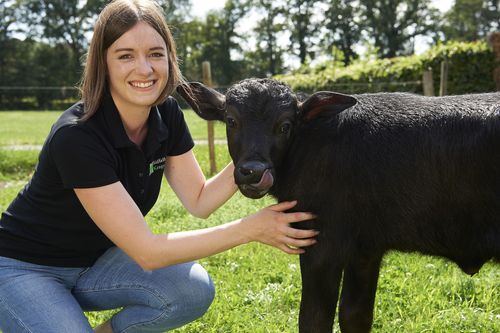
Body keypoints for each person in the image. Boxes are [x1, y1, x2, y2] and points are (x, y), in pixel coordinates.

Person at [0, 1, 318, 332]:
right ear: (103, 64)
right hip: (24, 268)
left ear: (169, 58)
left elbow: (200, 200)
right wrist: (249, 229)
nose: (145, 69)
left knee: (192, 289)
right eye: (125, 56)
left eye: (155, 53)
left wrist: (259, 151)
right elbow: (148, 253)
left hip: (95, 263)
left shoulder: (166, 114)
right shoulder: (76, 137)